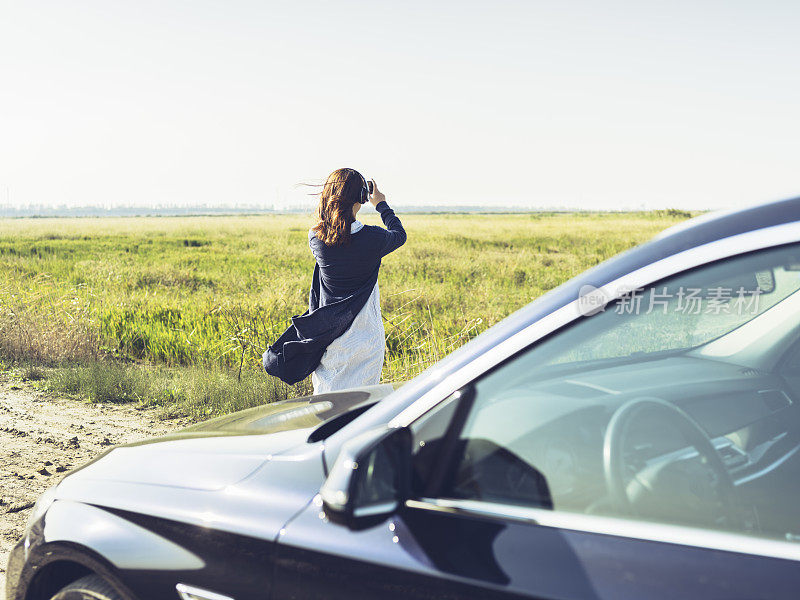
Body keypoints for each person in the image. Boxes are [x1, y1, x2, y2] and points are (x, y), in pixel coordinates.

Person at [262, 168, 406, 394]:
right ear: (362, 197)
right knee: (360, 407)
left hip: (329, 337)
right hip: (366, 338)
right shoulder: (374, 238)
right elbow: (399, 234)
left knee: (326, 405)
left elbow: (333, 232)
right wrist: (381, 203)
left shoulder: (316, 238)